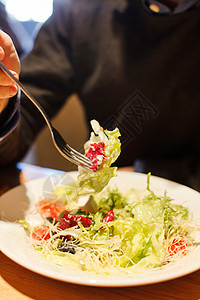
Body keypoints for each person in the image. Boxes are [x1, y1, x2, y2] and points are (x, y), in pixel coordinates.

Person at [0, 0, 200, 191]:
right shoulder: (78, 9)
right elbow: (22, 119)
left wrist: (149, 174)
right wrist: (3, 106)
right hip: (102, 203)